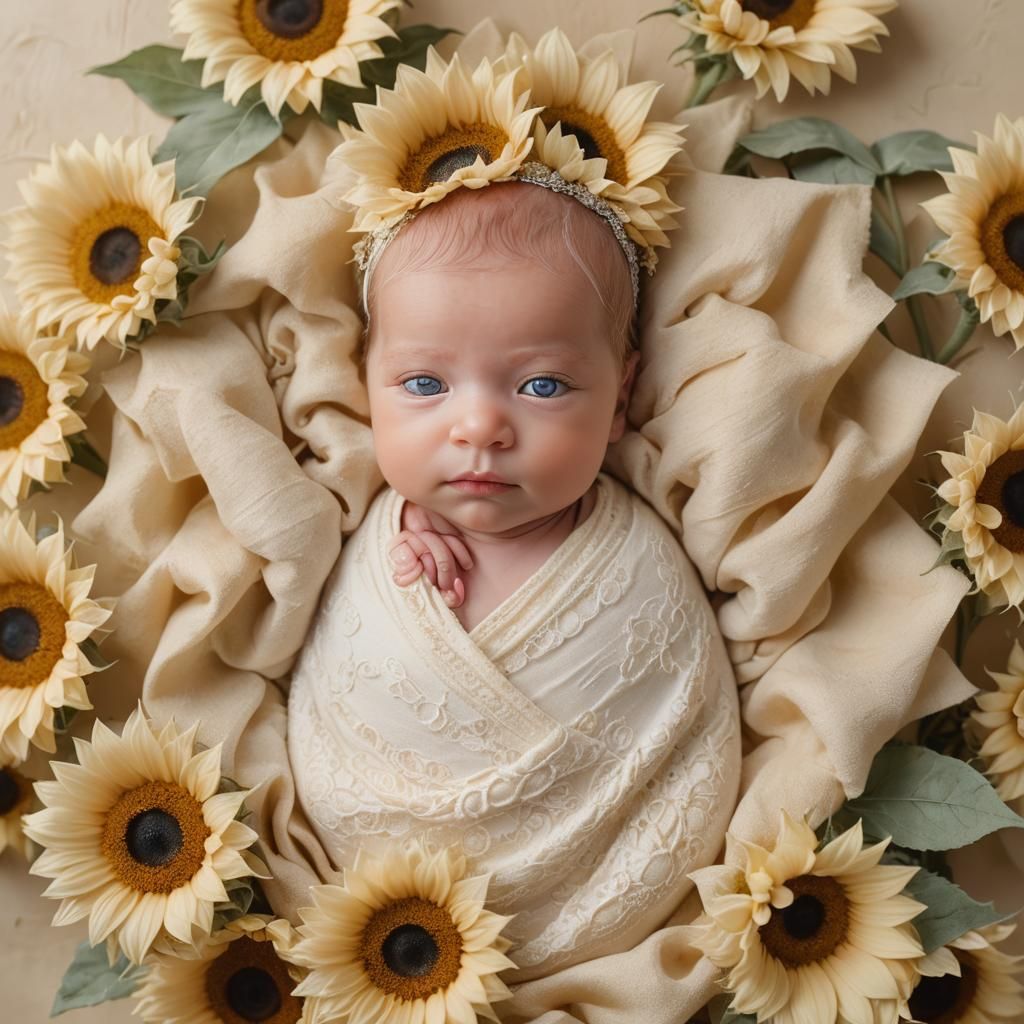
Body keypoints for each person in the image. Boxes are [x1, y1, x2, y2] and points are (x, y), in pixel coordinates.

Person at [285, 78, 743, 981]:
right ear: (365, 380)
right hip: (395, 933)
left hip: (595, 907)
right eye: (425, 384)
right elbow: (343, 681)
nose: (479, 428)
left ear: (621, 395)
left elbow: (679, 730)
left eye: (542, 385)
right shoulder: (372, 538)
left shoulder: (638, 561)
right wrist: (398, 560)